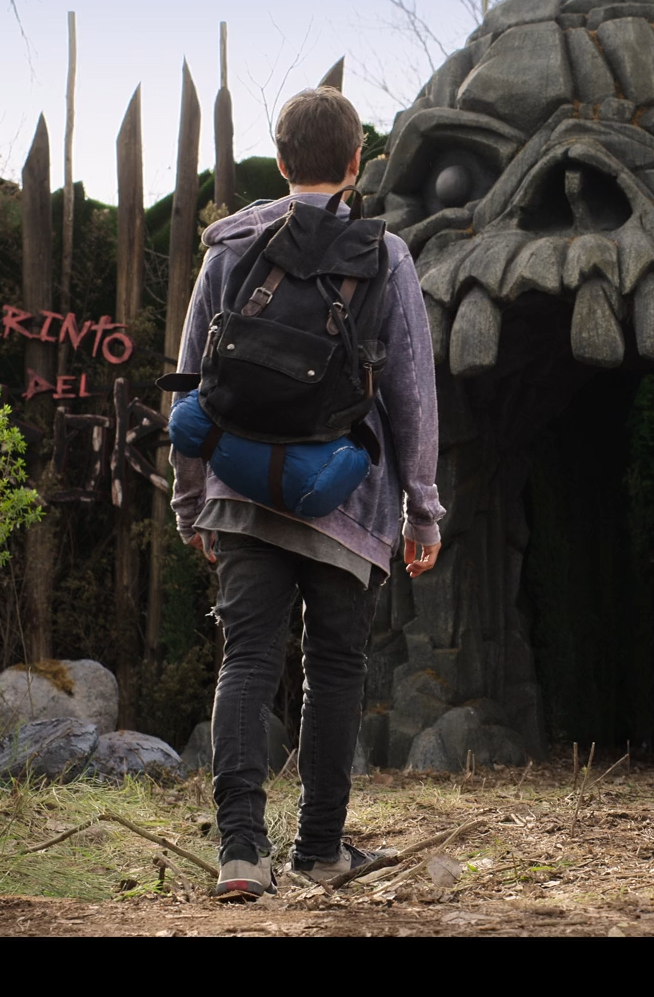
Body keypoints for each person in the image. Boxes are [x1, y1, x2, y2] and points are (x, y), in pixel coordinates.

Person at [169, 86, 444, 896]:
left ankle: (241, 853)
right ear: (357, 162)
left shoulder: (231, 248)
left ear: (281, 159)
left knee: (247, 658)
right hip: (345, 500)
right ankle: (320, 850)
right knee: (334, 667)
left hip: (242, 488)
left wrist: (191, 501)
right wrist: (422, 510)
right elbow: (413, 394)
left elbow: (191, 379)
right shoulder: (386, 257)